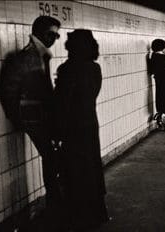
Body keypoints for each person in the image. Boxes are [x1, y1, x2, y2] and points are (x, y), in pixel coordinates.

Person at [0, 15, 64, 222]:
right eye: (52, 34)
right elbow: (7, 88)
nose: (55, 38)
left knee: (52, 158)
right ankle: (55, 205)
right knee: (52, 158)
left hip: (44, 117)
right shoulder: (26, 57)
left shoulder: (41, 55)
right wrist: (17, 118)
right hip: (35, 119)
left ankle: (56, 203)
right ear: (40, 33)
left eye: (57, 35)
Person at [52, 29, 109, 230]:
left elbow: (62, 103)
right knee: (91, 168)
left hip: (72, 128)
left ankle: (79, 217)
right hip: (90, 124)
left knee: (75, 172)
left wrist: (56, 132)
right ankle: (96, 214)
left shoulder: (67, 69)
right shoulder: (94, 68)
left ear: (72, 46)